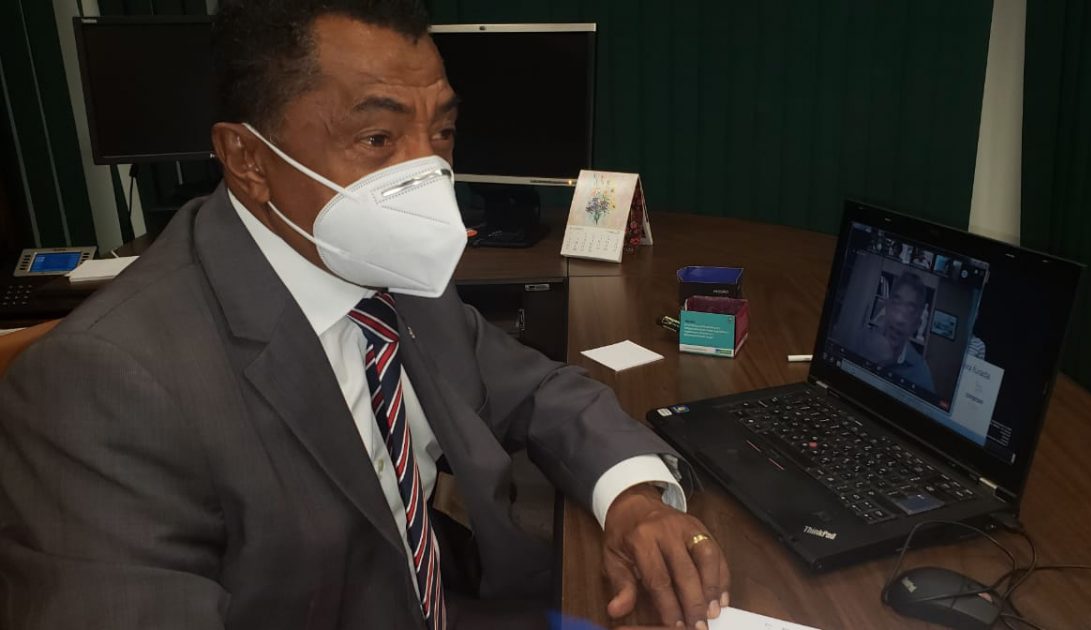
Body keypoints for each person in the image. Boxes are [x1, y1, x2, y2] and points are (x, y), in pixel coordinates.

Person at [0, 2, 730, 629]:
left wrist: (635, 499)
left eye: (441, 134)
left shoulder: (386, 269)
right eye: (378, 140)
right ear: (248, 159)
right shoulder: (103, 383)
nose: (427, 178)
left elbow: (538, 390)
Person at [853, 272, 936, 393]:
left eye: (910, 310)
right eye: (896, 303)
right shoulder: (860, 340)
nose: (899, 318)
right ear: (886, 307)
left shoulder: (921, 374)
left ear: (917, 325)